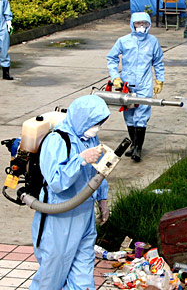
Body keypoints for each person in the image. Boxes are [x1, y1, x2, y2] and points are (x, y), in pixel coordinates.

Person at [30, 94, 111, 290]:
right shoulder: (57, 140)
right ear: (82, 118)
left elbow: (97, 172)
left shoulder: (90, 138)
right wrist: (80, 160)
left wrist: (102, 198)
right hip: (60, 218)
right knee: (51, 277)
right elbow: (57, 182)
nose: (96, 128)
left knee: (83, 278)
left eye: (99, 123)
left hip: (84, 216)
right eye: (94, 123)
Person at [107, 12, 165, 162]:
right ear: (132, 24)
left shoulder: (153, 41)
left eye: (144, 24)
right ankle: (133, 144)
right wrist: (115, 77)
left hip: (144, 85)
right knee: (129, 116)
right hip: (127, 85)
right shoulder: (123, 41)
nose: (141, 27)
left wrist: (160, 80)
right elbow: (111, 58)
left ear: (148, 25)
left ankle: (138, 148)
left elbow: (158, 62)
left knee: (141, 116)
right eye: (138, 24)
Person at [0, 0, 13, 80]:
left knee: (4, 50)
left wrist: (9, 22)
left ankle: (6, 72)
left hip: (2, 25)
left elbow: (6, 9)